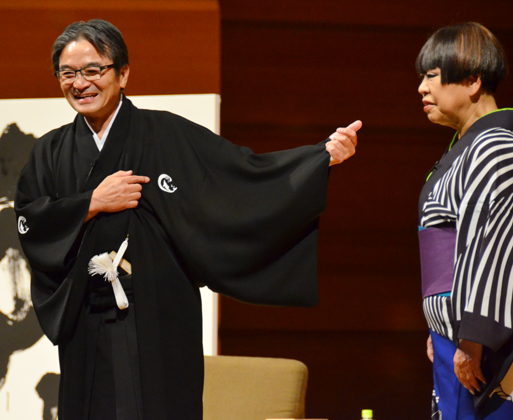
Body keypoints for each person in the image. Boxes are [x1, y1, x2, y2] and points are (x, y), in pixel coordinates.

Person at [14, 19, 361, 420]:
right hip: (86, 319)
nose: (80, 83)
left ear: (123, 73)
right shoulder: (50, 152)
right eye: (68, 73)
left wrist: (320, 158)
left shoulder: (166, 133)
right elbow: (31, 221)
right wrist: (91, 202)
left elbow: (241, 176)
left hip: (161, 314)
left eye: (93, 70)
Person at [416, 23, 513, 419]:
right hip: (458, 335)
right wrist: (439, 323)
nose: (422, 88)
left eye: (431, 76)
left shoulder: (496, 146)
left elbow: (491, 245)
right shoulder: (468, 146)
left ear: (471, 81)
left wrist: (474, 336)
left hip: (487, 339)